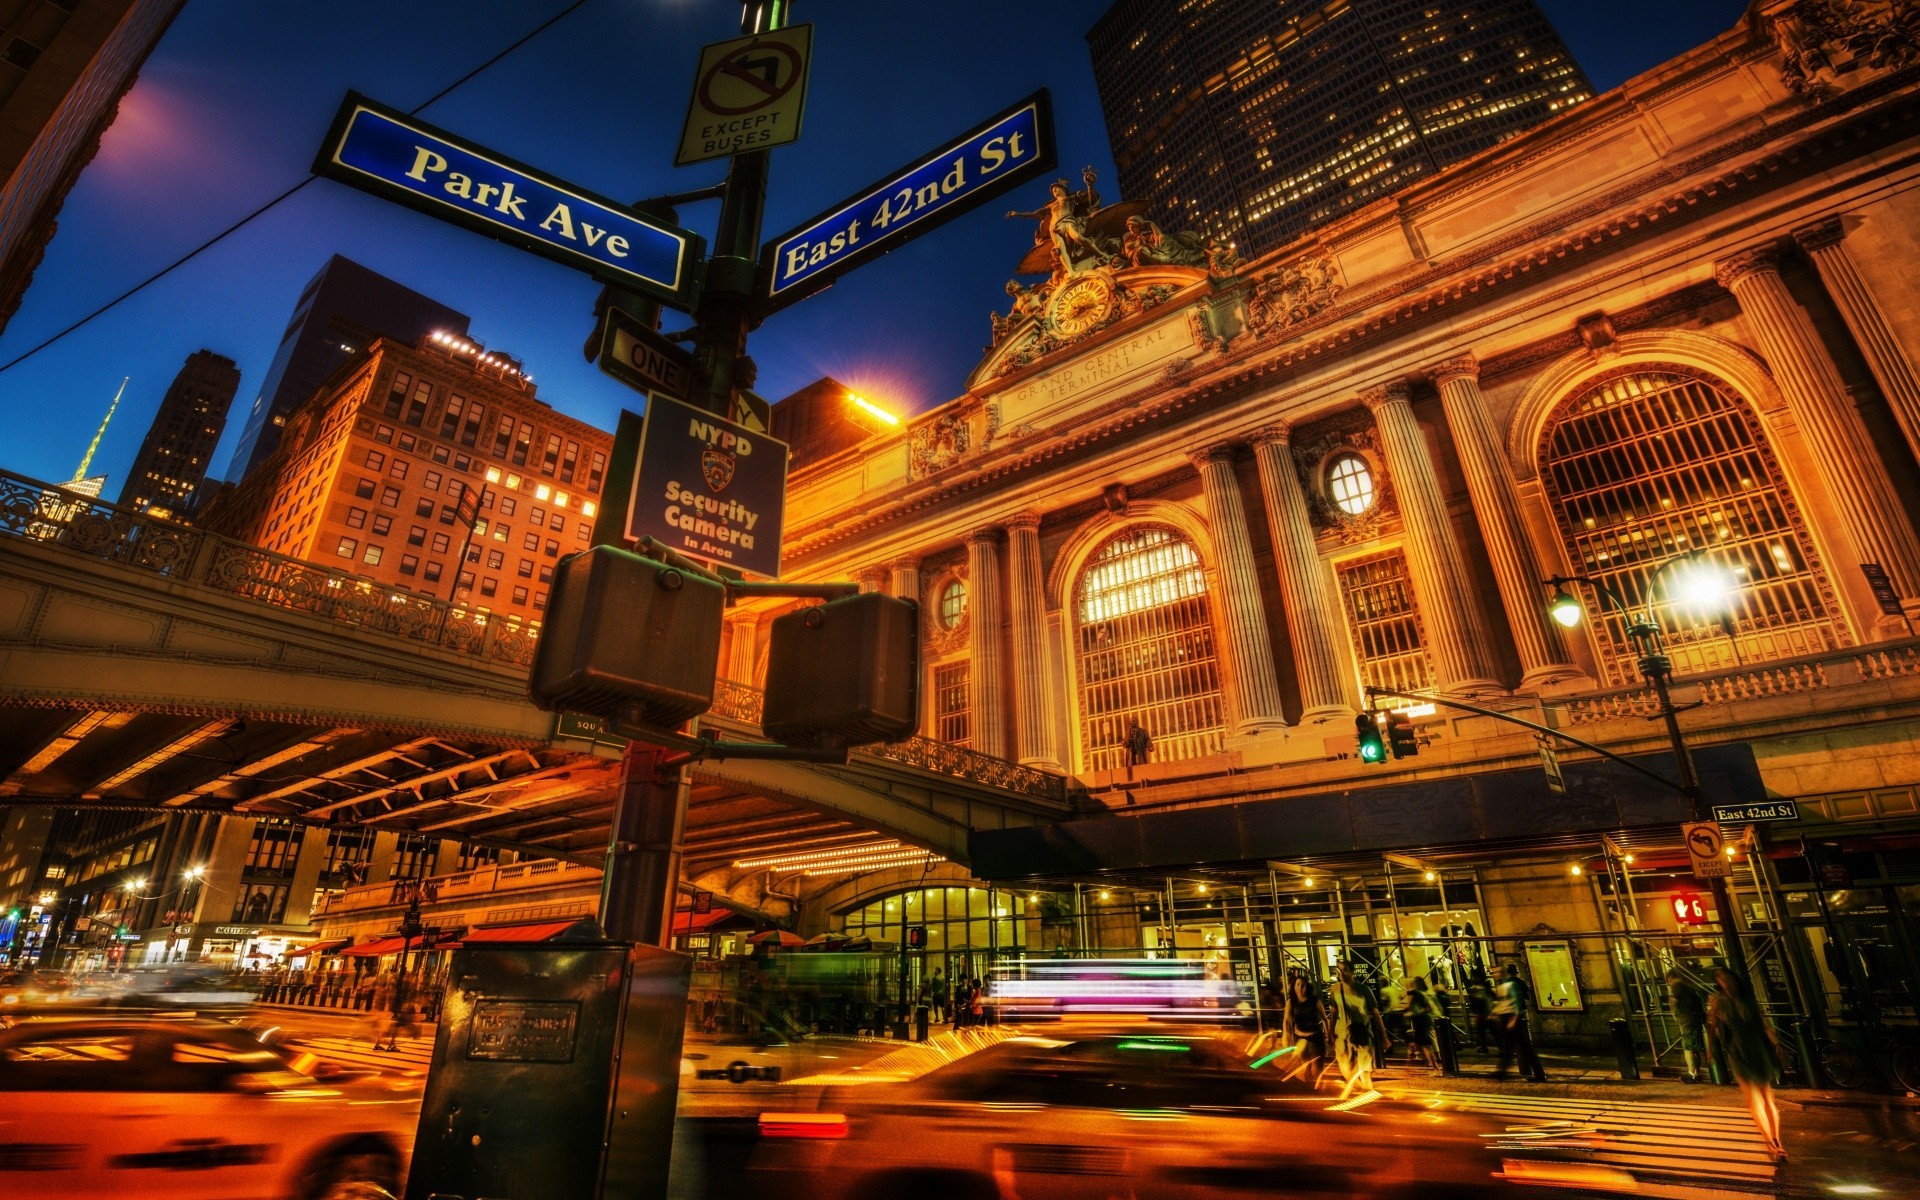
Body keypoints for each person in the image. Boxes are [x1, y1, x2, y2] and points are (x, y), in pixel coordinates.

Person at [1707, 967, 1785, 1159]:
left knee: (1767, 1097)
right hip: (1737, 1051)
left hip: (1755, 1048)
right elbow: (1712, 1026)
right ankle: (1771, 1141)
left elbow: (1763, 1023)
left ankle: (1777, 1140)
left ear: (1734, 980)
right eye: (1721, 980)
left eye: (1727, 979)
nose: (1725, 983)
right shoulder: (1719, 1002)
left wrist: (1775, 1042)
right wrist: (1710, 1049)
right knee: (1754, 1098)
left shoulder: (1748, 1000)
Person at [1329, 961, 1385, 1099]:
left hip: (1362, 1031)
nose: (1342, 973)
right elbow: (1333, 1012)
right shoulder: (1335, 990)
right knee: (1346, 1068)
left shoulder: (1364, 990)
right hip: (1342, 1032)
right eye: (1339, 970)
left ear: (1353, 972)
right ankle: (1364, 1091)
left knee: (1365, 1068)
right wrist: (1330, 1032)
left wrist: (1384, 1036)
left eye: (1345, 970)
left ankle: (1367, 1090)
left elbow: (1375, 1013)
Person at [1492, 963, 1546, 1081]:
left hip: (1515, 1019)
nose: (1494, 975)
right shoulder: (1507, 984)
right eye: (1493, 973)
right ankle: (1501, 1072)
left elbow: (1516, 1001)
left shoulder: (1510, 984)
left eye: (1496, 972)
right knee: (1511, 1047)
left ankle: (1539, 1075)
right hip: (1510, 1019)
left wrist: (1513, 1018)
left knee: (1524, 1047)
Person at [1283, 973, 1329, 1081]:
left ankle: (1317, 1089)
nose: (1300, 988)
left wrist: (1329, 1035)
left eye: (1302, 985)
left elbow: (1325, 1018)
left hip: (1315, 1037)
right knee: (1305, 1067)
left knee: (1317, 1068)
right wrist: (1286, 1035)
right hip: (1299, 1038)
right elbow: (1286, 1020)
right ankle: (1309, 1089)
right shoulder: (1291, 1002)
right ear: (1293, 987)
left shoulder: (1314, 1000)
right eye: (1297, 985)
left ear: (1306, 987)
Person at [1667, 970, 1708, 1083]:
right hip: (1695, 1020)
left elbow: (1673, 1002)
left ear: (1670, 978)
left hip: (1687, 1021)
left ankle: (1691, 1074)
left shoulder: (1676, 986)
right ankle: (1697, 1074)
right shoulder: (1689, 988)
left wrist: (1675, 1015)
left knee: (1688, 1048)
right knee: (1695, 1049)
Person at [1406, 976, 1438, 1069]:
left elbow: (1411, 993)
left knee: (1425, 1044)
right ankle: (1430, 1063)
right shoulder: (1422, 994)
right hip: (1421, 1019)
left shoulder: (1418, 994)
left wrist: (1414, 1012)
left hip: (1421, 1020)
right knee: (1422, 1043)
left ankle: (1435, 1066)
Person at [1467, 968, 1494, 1052]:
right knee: (1493, 1032)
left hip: (1483, 1013)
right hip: (1489, 1012)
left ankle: (1484, 1047)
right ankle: (1501, 1048)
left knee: (1483, 1032)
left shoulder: (1476, 989)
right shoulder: (1486, 986)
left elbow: (1478, 1001)